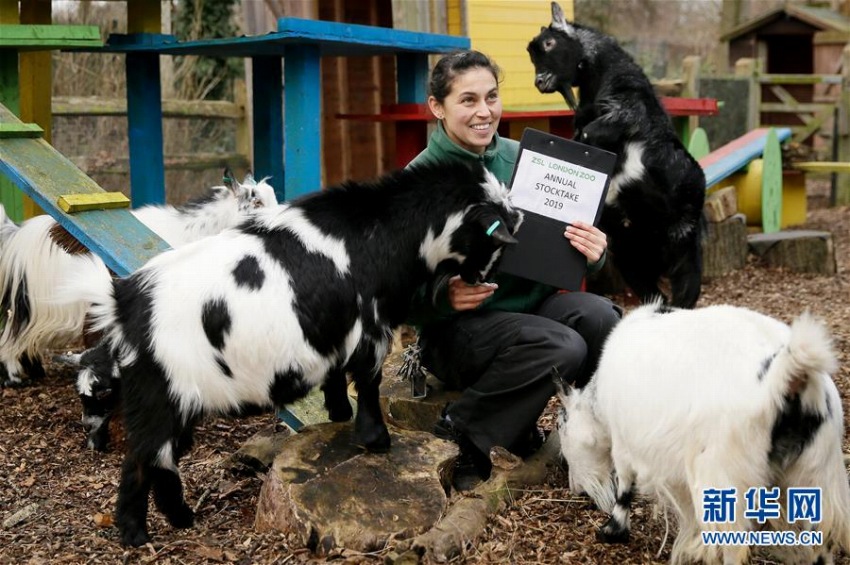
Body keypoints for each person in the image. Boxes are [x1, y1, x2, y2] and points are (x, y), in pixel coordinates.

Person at [406, 50, 623, 491]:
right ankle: (464, 434)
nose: (484, 112)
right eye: (467, 100)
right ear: (437, 107)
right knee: (560, 344)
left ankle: (589, 434)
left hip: (530, 310)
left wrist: (593, 249)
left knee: (602, 318)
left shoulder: (531, 161)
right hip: (458, 333)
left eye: (491, 97)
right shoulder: (417, 182)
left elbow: (570, 251)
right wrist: (441, 293)